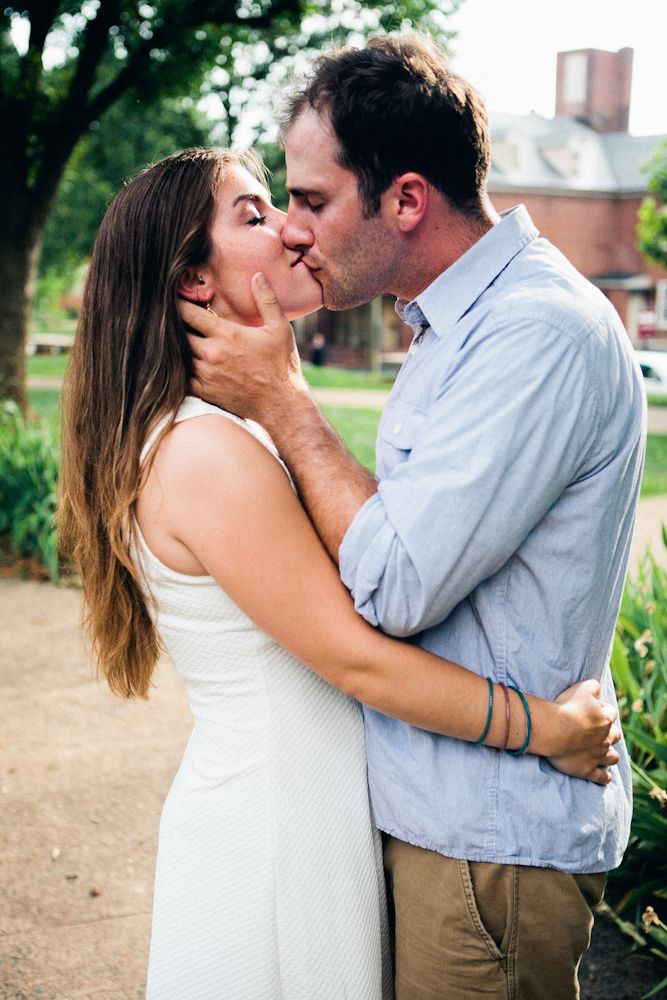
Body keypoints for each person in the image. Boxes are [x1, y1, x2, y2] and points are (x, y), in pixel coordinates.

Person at [57, 146, 619, 1000]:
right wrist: (543, 730)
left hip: (302, 813)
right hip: (277, 833)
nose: (287, 228)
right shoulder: (206, 452)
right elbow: (353, 654)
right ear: (194, 283)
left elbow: (384, 544)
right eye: (250, 215)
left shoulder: (220, 432)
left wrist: (283, 398)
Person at [179, 34, 647, 1000]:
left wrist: (285, 400)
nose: (295, 229)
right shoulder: (452, 324)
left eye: (310, 201)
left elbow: (392, 584)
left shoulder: (534, 332)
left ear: (405, 199)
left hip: (489, 846)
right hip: (443, 828)